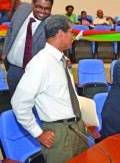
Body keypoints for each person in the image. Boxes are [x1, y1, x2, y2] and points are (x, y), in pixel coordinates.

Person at [11, 15, 88, 163]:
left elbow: (65, 95)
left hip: (77, 127)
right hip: (59, 133)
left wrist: (79, 116)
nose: (73, 35)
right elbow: (19, 104)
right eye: (71, 31)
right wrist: (38, 133)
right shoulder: (40, 64)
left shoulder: (61, 60)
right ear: (60, 33)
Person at [2, 0, 54, 96]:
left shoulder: (51, 24)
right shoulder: (22, 8)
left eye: (47, 9)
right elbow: (11, 29)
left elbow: (54, 48)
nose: (43, 12)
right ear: (32, 3)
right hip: (12, 69)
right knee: (14, 103)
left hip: (33, 74)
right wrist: (5, 52)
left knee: (29, 107)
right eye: (39, 7)